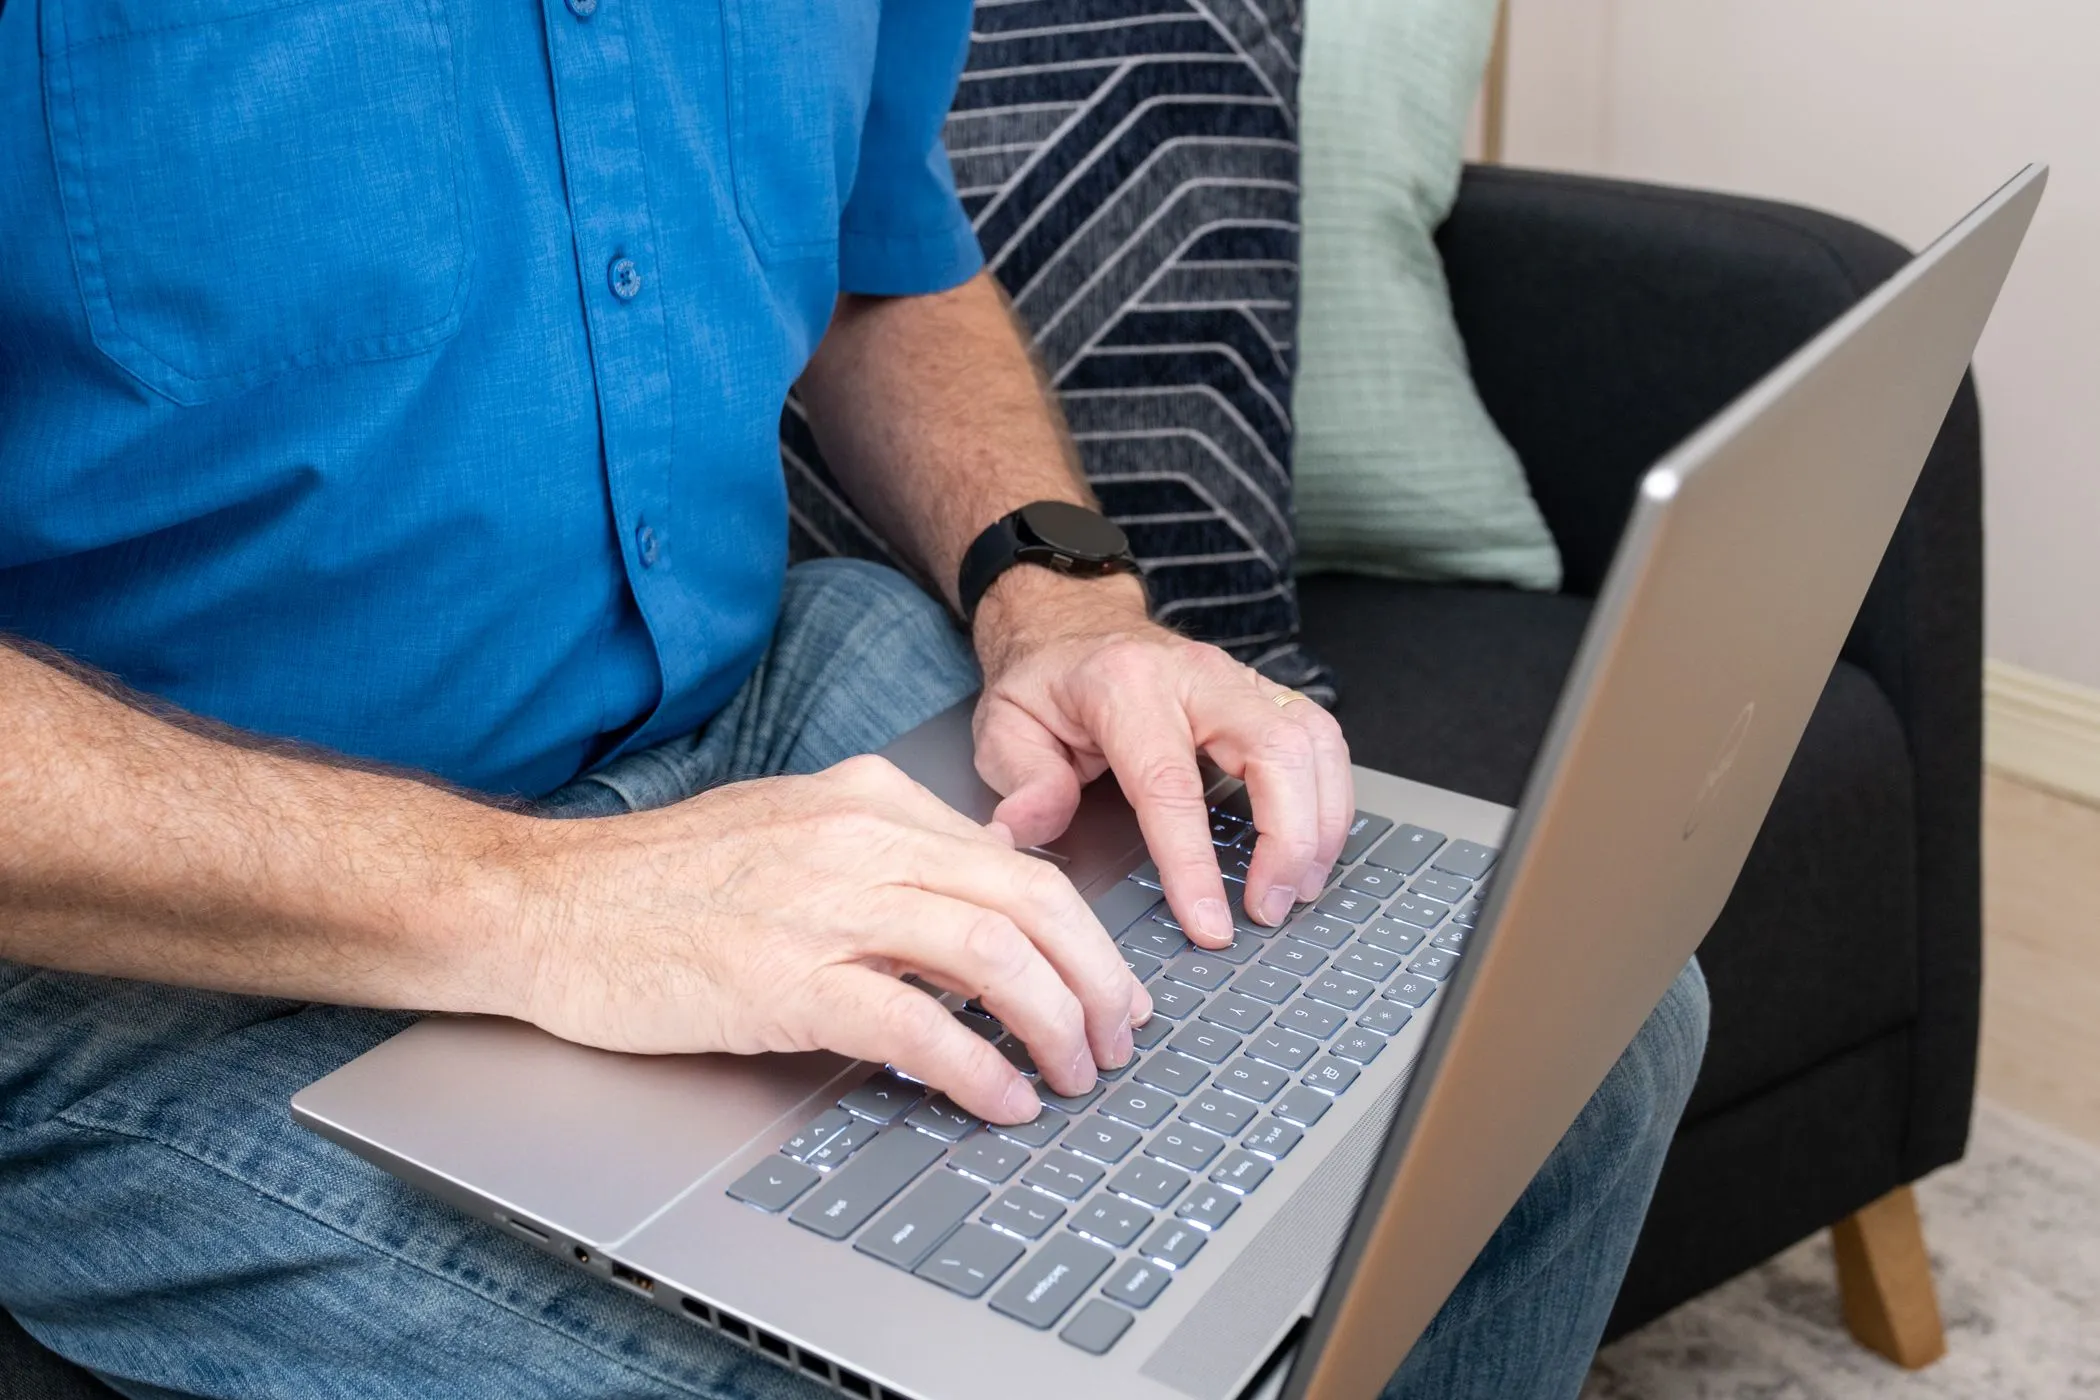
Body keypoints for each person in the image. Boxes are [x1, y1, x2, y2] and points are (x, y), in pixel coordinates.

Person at [0, 3, 1708, 1397]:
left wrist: (1061, 601)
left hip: (766, 698)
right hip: (144, 924)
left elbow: (886, 249)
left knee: (1586, 1018)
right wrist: (541, 903)